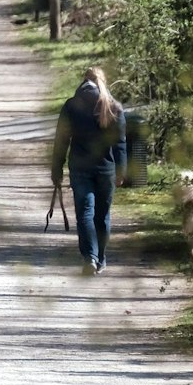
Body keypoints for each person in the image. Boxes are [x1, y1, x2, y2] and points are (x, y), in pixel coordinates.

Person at [48, 65, 129, 272]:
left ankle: (90, 258)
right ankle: (100, 259)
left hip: (80, 168)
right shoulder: (114, 107)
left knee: (85, 213)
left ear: (84, 81)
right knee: (102, 216)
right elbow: (120, 143)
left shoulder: (72, 105)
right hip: (106, 170)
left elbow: (61, 141)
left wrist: (57, 169)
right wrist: (121, 171)